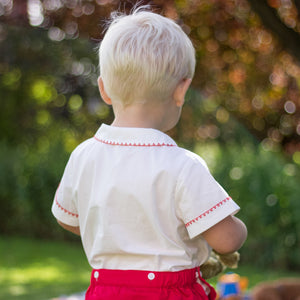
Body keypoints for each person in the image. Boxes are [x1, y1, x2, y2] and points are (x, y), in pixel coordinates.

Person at [51, 6, 247, 300]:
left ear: (104, 90)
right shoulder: (183, 166)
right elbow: (226, 241)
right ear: (181, 91)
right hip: (170, 292)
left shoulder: (84, 155)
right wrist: (238, 230)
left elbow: (67, 219)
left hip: (105, 292)